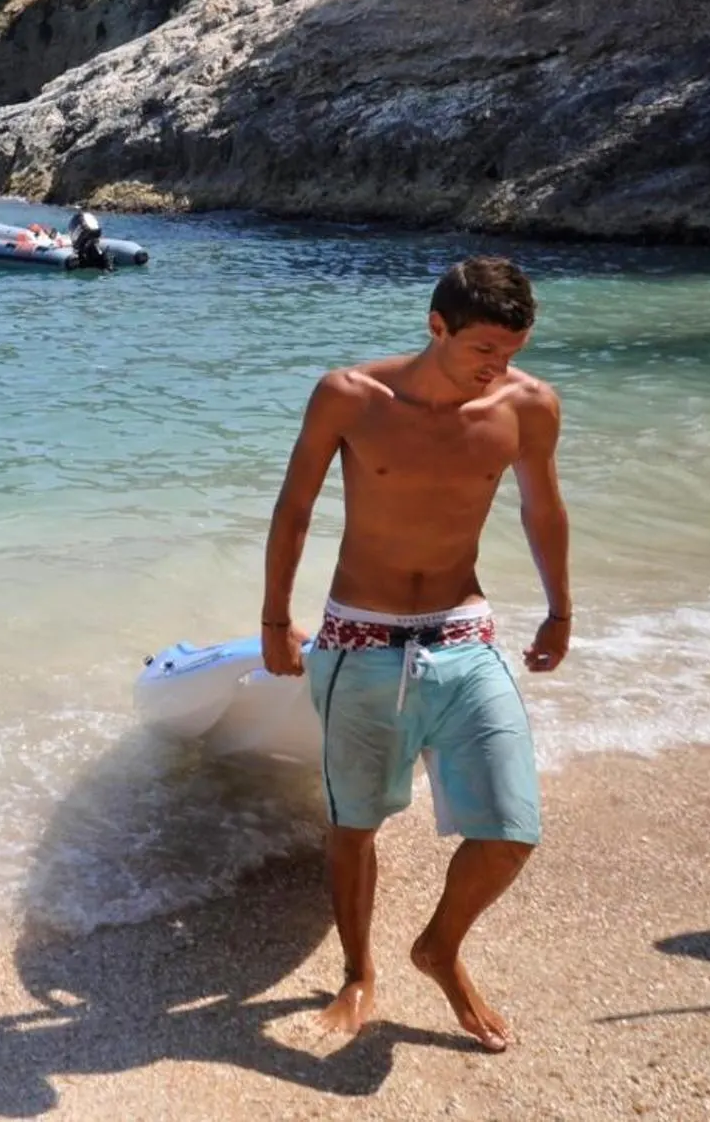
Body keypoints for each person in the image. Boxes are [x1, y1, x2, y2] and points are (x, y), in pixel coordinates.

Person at [260, 256, 569, 1053]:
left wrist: (560, 609)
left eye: (512, 351)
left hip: (463, 632)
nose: (498, 369)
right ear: (436, 327)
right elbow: (294, 509)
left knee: (512, 830)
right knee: (355, 821)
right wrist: (274, 621)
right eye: (482, 352)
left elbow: (543, 508)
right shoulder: (351, 397)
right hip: (359, 635)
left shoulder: (527, 405)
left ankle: (438, 947)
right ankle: (359, 971)